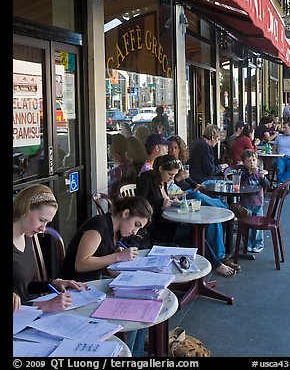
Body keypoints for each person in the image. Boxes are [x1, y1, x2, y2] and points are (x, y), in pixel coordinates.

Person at [59, 195, 153, 357]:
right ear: (125, 213)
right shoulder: (98, 226)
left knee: (143, 309)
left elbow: (103, 267)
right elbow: (80, 265)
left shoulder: (115, 231)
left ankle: (135, 354)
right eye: (136, 225)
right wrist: (116, 257)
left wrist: (120, 267)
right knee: (132, 314)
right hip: (74, 292)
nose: (134, 231)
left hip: (92, 287)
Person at [167, 135, 241, 272]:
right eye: (170, 148)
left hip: (187, 190)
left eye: (176, 148)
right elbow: (170, 185)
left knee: (214, 214)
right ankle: (228, 208)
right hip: (181, 196)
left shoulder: (179, 163)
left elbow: (187, 179)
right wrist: (178, 178)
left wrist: (196, 184)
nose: (173, 151)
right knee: (198, 195)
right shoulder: (166, 164)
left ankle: (220, 257)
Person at [13, 184, 86, 312]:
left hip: (29, 315)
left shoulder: (26, 237)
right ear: (25, 209)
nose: (43, 228)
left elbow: (24, 286)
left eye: (47, 223)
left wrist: (53, 283)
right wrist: (44, 305)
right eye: (42, 220)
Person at [239, 149, 269, 253]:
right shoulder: (243, 172)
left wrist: (262, 178)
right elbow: (240, 180)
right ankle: (248, 243)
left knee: (258, 224)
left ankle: (258, 243)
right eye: (248, 161)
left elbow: (266, 185)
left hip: (258, 202)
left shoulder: (260, 172)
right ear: (244, 163)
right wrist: (248, 173)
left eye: (253, 160)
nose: (252, 163)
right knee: (246, 224)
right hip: (246, 203)